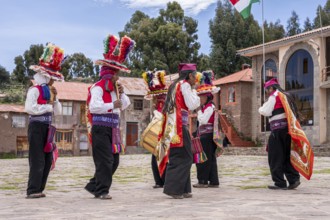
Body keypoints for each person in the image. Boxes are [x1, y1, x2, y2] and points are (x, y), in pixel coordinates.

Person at [85, 35, 135, 199]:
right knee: (104, 161)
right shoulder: (97, 87)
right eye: (115, 74)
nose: (118, 77)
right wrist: (112, 105)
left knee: (114, 161)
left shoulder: (116, 89)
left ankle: (94, 185)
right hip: (100, 129)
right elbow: (94, 107)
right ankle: (102, 191)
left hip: (113, 129)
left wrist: (121, 92)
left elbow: (125, 104)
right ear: (108, 74)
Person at [25, 43, 65, 198]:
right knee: (37, 159)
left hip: (48, 127)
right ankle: (32, 190)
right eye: (51, 79)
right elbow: (30, 108)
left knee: (48, 159)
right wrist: (47, 107)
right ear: (45, 77)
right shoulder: (34, 90)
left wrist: (55, 101)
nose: (53, 82)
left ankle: (40, 188)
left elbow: (58, 112)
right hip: (36, 127)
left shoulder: (51, 94)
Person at [159, 63, 200, 199]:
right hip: (179, 126)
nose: (196, 79)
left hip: (175, 125)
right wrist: (195, 92)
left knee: (182, 156)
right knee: (184, 157)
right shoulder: (185, 85)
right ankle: (173, 189)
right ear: (189, 75)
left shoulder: (175, 85)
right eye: (195, 76)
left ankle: (184, 188)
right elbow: (192, 104)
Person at [259, 78, 301, 190]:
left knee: (275, 157)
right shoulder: (287, 95)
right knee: (288, 156)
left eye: (267, 90)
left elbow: (265, 111)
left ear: (271, 88)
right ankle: (294, 179)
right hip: (288, 130)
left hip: (277, 131)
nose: (267, 92)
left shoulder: (274, 96)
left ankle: (279, 182)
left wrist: (261, 108)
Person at [193, 70, 220, 188]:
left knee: (204, 159)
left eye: (202, 97)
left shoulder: (210, 107)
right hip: (205, 136)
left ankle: (203, 180)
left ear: (207, 97)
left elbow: (203, 120)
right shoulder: (207, 107)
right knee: (209, 159)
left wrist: (198, 110)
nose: (200, 99)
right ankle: (213, 181)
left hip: (207, 136)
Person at [142, 70, 168, 188]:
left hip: (163, 135)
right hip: (159, 135)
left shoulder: (161, 106)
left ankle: (160, 180)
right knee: (156, 158)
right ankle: (160, 180)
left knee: (159, 158)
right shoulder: (158, 106)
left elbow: (160, 118)